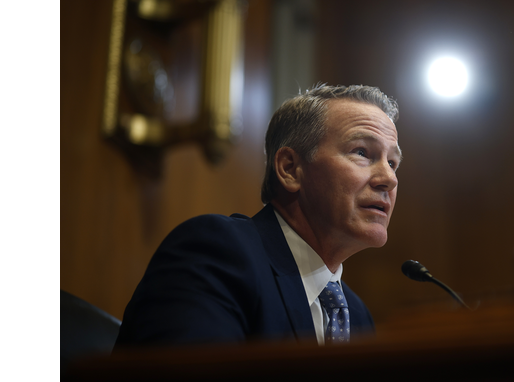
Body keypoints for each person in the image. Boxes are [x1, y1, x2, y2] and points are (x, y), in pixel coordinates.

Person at [114, 85, 401, 347]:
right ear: (290, 169)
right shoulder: (219, 254)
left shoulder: (358, 317)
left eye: (392, 162)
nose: (389, 178)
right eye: (362, 152)